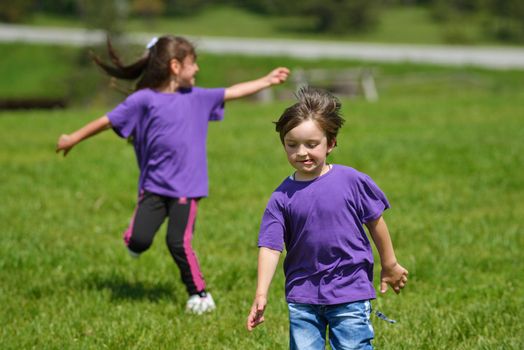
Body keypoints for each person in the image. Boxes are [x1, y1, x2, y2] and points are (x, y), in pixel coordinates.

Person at [56, 35, 289, 315]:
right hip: (154, 187)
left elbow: (232, 92)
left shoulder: (198, 98)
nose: (198, 70)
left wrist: (266, 80)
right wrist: (73, 138)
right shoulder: (144, 100)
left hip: (187, 189)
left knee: (178, 241)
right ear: (175, 66)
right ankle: (133, 238)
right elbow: (107, 121)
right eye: (194, 64)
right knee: (138, 241)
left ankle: (200, 295)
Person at [246, 87, 408, 349]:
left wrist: (389, 264)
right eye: (292, 144)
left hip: (350, 289)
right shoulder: (281, 197)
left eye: (311, 145)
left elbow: (376, 222)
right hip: (302, 295)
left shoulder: (351, 181)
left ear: (331, 143)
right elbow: (270, 246)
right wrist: (261, 292)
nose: (301, 152)